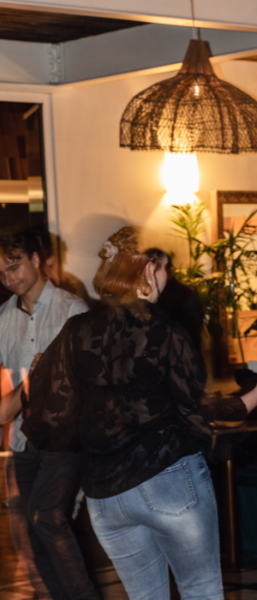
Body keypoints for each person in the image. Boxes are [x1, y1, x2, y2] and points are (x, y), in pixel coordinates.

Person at [22, 226, 257, 600]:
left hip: (105, 494)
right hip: (168, 480)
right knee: (201, 591)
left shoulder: (76, 329)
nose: (167, 278)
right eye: (165, 268)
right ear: (148, 270)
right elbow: (196, 411)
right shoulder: (164, 330)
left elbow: (48, 411)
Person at [0, 226, 96, 600]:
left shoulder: (72, 310)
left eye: (15, 265)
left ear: (36, 260)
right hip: (25, 439)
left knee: (48, 519)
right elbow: (9, 402)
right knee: (30, 534)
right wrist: (32, 383)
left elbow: (88, 383)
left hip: (66, 439)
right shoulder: (4, 319)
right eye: (2, 271)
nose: (9, 277)